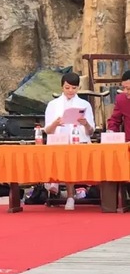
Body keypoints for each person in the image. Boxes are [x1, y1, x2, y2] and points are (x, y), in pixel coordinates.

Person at [44, 71, 95, 211]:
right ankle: (67, 194)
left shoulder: (84, 104)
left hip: (78, 141)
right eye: (67, 87)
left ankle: (73, 194)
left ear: (78, 88)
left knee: (72, 158)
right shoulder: (53, 104)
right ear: (62, 87)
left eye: (74, 88)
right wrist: (55, 123)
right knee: (64, 158)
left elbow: (91, 131)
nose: (70, 91)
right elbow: (47, 130)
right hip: (59, 141)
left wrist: (85, 123)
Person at [107, 70, 130, 141]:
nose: (125, 91)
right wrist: (111, 132)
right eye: (123, 88)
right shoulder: (121, 99)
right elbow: (114, 120)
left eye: (128, 89)